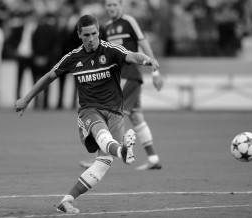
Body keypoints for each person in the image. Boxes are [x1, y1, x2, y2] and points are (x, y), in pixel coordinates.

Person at [15, 15, 159, 214]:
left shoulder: (110, 50)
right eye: (87, 35)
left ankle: (67, 200)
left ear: (98, 32)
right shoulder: (73, 57)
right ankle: (122, 151)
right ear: (79, 35)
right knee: (102, 135)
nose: (91, 38)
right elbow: (49, 76)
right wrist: (27, 98)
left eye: (94, 33)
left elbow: (132, 55)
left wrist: (145, 59)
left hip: (115, 113)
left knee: (102, 165)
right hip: (89, 111)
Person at [79, 0, 164, 170]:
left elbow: (143, 42)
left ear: (121, 6)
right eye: (108, 5)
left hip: (129, 76)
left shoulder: (129, 21)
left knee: (111, 115)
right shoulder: (107, 27)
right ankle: (153, 158)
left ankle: (99, 159)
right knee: (136, 117)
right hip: (119, 78)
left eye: (114, 5)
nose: (111, 8)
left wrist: (155, 71)